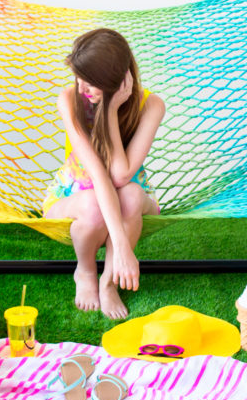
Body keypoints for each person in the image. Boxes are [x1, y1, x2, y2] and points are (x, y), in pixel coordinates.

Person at [42, 28, 165, 319]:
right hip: (77, 193)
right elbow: (100, 177)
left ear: (116, 81)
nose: (82, 87)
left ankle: (108, 283)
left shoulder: (151, 105)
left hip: (128, 194)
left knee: (132, 196)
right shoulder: (70, 99)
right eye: (79, 77)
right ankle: (85, 271)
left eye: (91, 81)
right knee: (95, 203)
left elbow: (121, 176)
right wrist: (122, 245)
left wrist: (109, 111)